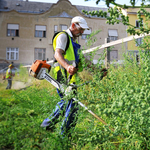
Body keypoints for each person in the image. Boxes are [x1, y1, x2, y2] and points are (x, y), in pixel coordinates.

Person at [41, 16, 90, 137]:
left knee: (66, 101)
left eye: (84, 30)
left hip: (70, 77)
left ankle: (47, 125)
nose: (82, 32)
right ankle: (64, 135)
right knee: (73, 104)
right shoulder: (63, 36)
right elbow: (57, 54)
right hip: (62, 75)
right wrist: (67, 66)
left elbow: (83, 59)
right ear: (73, 25)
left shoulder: (74, 41)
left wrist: (97, 70)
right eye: (81, 29)